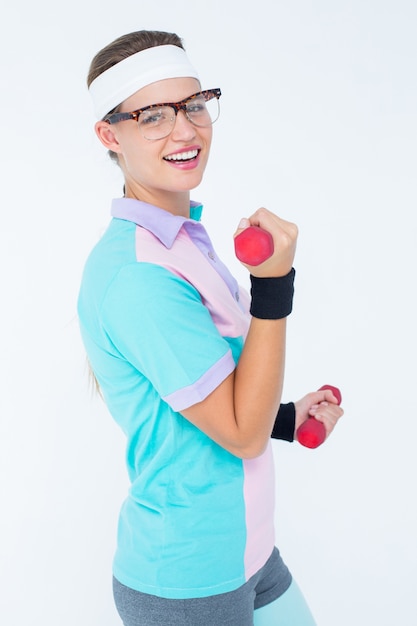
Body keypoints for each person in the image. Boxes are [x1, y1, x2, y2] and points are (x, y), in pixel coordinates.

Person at [77, 30, 344, 626]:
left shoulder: (180, 241)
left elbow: (196, 405)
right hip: (189, 583)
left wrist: (282, 416)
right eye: (153, 116)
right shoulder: (137, 276)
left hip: (249, 552)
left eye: (194, 105)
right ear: (108, 134)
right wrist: (273, 285)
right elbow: (239, 437)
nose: (185, 130)